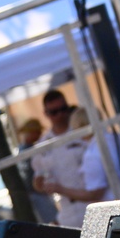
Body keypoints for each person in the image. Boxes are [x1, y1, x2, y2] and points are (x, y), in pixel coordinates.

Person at [36, 108, 120, 208]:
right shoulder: (115, 138)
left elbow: (95, 193)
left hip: (114, 205)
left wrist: (60, 189)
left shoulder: (92, 154)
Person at [31, 89, 88, 226]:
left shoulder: (81, 133)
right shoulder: (43, 145)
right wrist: (40, 183)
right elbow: (38, 179)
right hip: (67, 209)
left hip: (93, 200)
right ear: (46, 114)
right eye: (54, 112)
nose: (61, 114)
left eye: (64, 109)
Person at [16, 118, 58, 224]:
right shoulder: (26, 149)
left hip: (37, 191)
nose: (39, 135)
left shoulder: (23, 149)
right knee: (52, 220)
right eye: (37, 132)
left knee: (53, 219)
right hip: (35, 192)